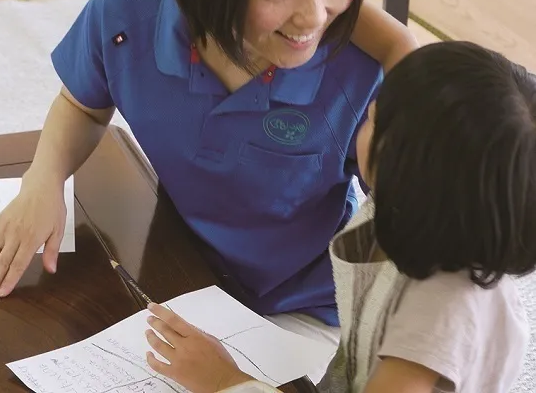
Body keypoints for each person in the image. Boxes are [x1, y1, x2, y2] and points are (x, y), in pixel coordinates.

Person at [0, 0, 417, 374]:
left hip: (306, 309)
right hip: (176, 274)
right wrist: (44, 180)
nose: (316, 15)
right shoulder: (126, 8)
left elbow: (420, 219)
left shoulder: (358, 69)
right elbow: (83, 104)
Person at [143, 41, 534, 393]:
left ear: (402, 163)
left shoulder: (437, 318)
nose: (363, 118)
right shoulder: (431, 211)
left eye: (373, 116)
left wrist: (225, 381)